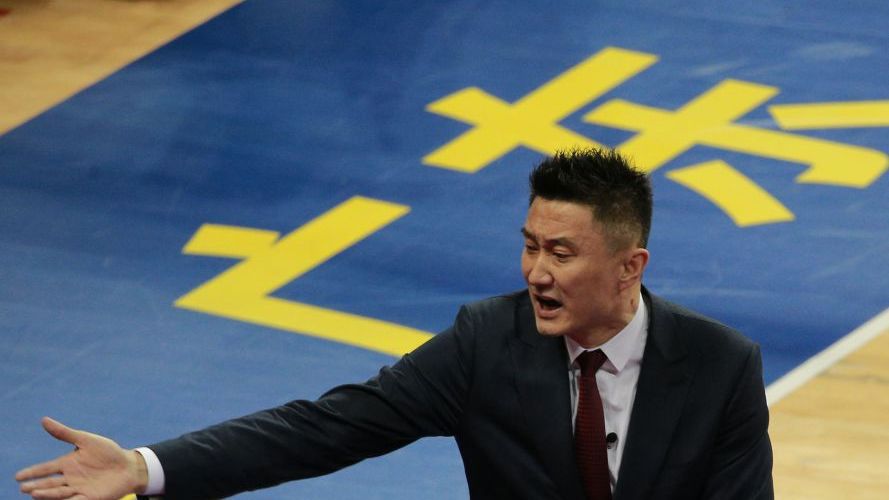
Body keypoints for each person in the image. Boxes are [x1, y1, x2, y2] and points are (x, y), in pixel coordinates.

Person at [16, 148, 773, 499]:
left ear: (629, 266)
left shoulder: (720, 365)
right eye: (530, 246)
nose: (536, 273)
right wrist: (144, 467)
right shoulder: (486, 342)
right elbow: (324, 428)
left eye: (561, 254)